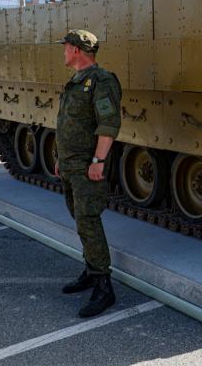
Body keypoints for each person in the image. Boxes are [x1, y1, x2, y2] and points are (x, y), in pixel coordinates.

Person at [54, 29, 122, 318]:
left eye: (66, 47)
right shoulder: (76, 81)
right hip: (71, 165)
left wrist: (98, 161)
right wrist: (60, 158)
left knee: (89, 221)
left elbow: (109, 124)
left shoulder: (101, 81)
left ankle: (104, 286)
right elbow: (68, 124)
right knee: (80, 220)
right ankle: (91, 270)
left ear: (76, 50)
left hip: (86, 166)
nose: (63, 51)